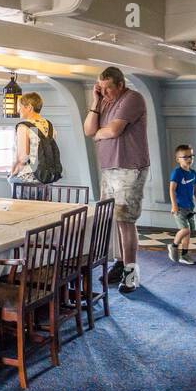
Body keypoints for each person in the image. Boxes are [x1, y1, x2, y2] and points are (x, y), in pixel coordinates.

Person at [83, 66, 149, 294]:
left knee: (125, 220)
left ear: (120, 85)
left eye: (108, 88)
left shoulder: (132, 99)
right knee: (112, 219)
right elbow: (89, 129)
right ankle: (121, 263)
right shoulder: (104, 101)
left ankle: (131, 273)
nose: (105, 93)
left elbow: (113, 131)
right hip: (109, 168)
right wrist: (95, 100)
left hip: (129, 168)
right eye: (101, 88)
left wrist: (100, 133)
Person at [9, 92, 54, 189]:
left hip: (26, 178)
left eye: (20, 106)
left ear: (29, 107)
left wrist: (12, 172)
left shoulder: (23, 127)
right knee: (44, 204)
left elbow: (23, 157)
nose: (18, 110)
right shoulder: (49, 126)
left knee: (21, 205)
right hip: (46, 177)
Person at [168, 144, 196, 265]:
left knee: (189, 231)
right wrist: (174, 205)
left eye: (191, 156)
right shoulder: (177, 173)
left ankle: (184, 255)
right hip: (180, 207)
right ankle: (174, 245)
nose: (189, 159)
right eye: (185, 157)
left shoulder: (193, 173)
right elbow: (171, 189)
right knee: (185, 229)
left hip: (190, 207)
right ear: (178, 159)